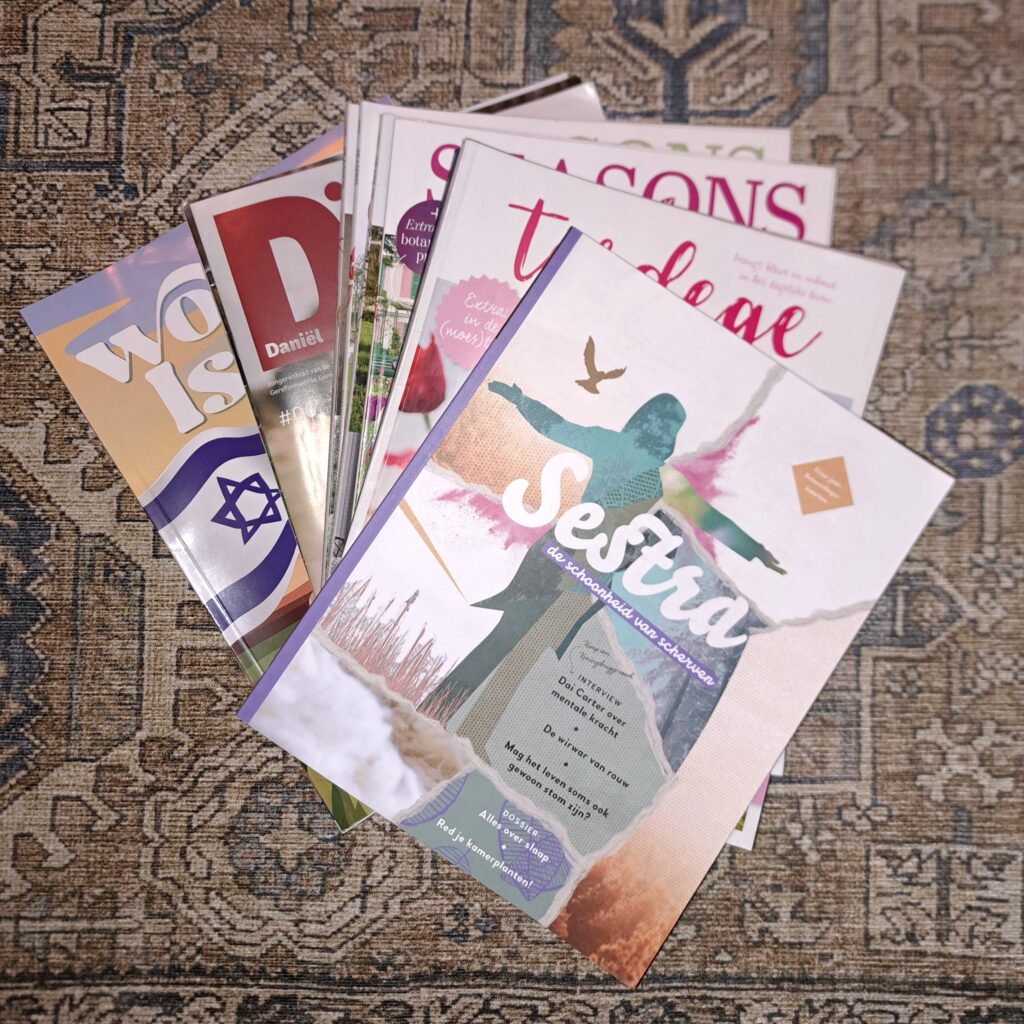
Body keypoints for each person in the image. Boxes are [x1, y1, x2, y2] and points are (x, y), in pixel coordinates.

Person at [424, 381, 784, 721]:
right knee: (525, 651)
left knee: (515, 645)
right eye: (667, 425)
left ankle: (445, 712)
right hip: (581, 572)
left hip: (565, 560)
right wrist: (755, 551)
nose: (665, 432)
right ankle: (449, 715)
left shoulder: (616, 447)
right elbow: (709, 519)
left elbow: (556, 428)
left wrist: (521, 401)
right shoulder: (659, 474)